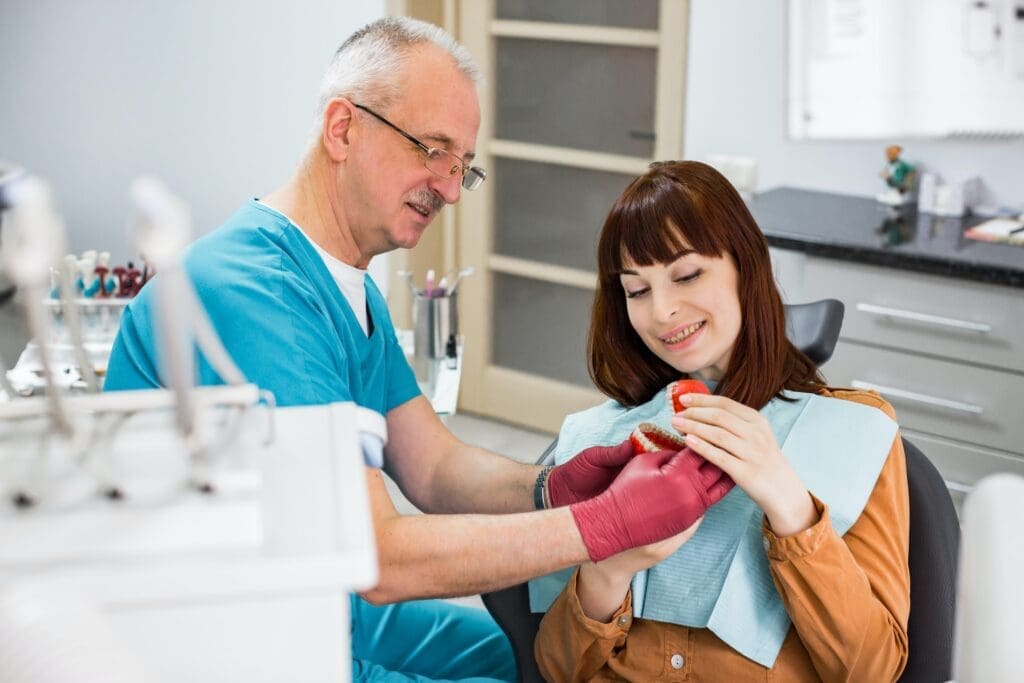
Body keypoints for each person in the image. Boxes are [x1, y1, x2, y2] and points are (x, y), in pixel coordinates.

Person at [103, 18, 723, 683]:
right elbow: (376, 554)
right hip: (232, 638)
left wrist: (551, 486)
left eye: (463, 167)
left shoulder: (352, 292)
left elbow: (433, 467)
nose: (451, 189)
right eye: (434, 150)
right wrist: (605, 524)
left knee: (525, 658)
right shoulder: (250, 295)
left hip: (317, 598)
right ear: (342, 128)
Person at [533, 161, 910, 682]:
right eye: (636, 290)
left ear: (745, 265)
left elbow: (873, 671)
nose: (662, 311)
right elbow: (554, 669)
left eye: (687, 275)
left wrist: (788, 503)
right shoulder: (598, 440)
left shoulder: (856, 434)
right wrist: (610, 567)